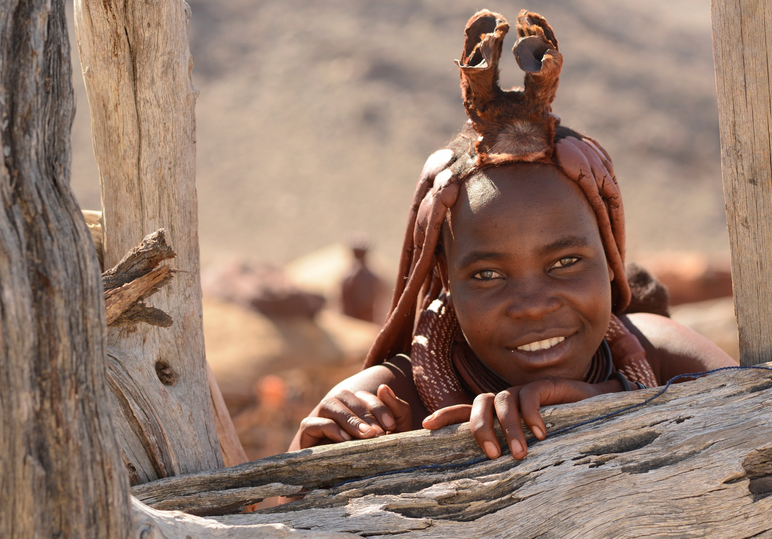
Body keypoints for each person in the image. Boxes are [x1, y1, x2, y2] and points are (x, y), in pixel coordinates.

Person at [288, 9, 736, 460]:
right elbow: (267, 514)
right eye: (487, 275)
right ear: (445, 277)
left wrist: (616, 407)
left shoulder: (661, 356)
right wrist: (313, 467)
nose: (533, 306)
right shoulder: (389, 406)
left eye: (565, 263)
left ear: (609, 253)